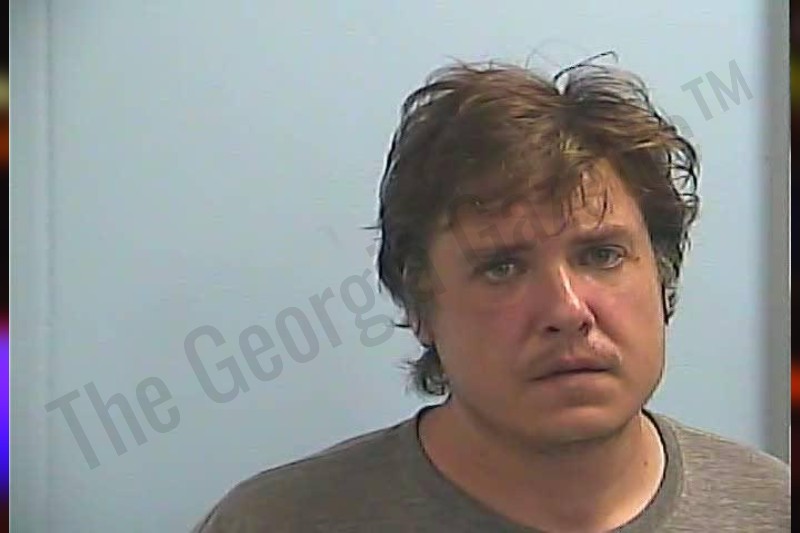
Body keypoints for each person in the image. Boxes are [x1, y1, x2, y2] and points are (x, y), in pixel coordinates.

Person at [193, 57, 790, 532]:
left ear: (660, 275)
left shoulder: (773, 510)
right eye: (503, 267)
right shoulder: (277, 522)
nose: (566, 310)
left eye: (601, 256)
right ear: (421, 305)